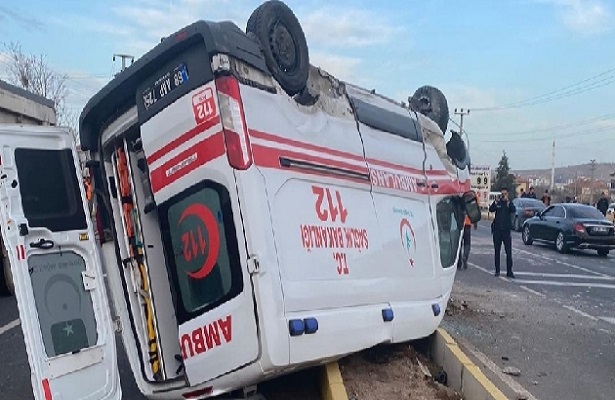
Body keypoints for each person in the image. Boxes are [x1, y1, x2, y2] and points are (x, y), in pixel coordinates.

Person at [489, 187, 516, 278]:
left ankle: (509, 271)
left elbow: (513, 210)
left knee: (508, 252)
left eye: (505, 193)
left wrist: (508, 201)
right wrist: (496, 201)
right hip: (497, 231)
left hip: (506, 231)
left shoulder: (509, 204)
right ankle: (497, 271)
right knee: (497, 251)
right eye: (502, 194)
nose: (503, 195)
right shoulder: (498, 203)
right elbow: (491, 209)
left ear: (507, 194)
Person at [457, 191, 479, 270]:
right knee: (467, 243)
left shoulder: (459, 194)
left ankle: (458, 262)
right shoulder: (473, 195)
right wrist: (475, 222)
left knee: (459, 243)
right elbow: (475, 210)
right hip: (468, 223)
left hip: (459, 222)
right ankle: (465, 257)